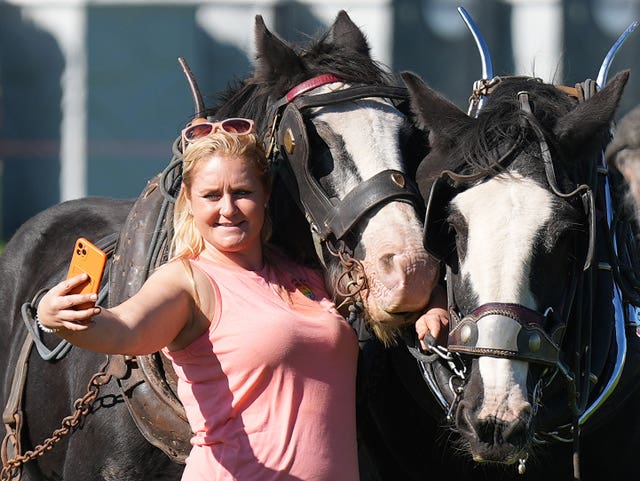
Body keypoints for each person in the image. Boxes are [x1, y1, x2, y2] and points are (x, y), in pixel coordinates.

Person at [36, 117, 448, 481]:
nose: (228, 208)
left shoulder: (306, 276)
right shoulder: (188, 280)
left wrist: (431, 308)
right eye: (212, 195)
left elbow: (388, 298)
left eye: (242, 192)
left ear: (266, 196)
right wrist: (59, 318)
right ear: (190, 204)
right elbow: (125, 330)